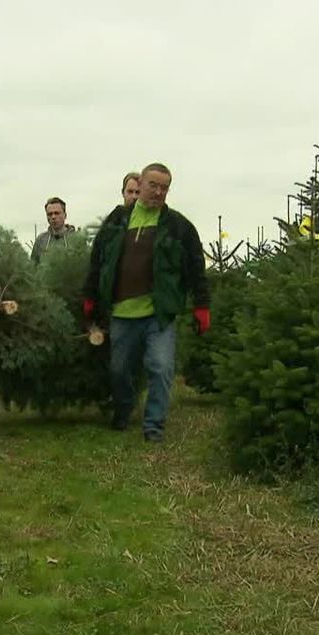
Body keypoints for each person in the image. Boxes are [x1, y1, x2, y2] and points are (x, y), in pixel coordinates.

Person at [82, 162, 210, 443]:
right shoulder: (118, 221)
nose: (159, 192)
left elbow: (196, 268)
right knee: (118, 370)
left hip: (159, 314)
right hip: (121, 313)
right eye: (154, 185)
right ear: (140, 184)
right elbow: (97, 260)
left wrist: (202, 306)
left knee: (161, 367)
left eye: (165, 188)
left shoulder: (179, 227)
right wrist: (90, 296)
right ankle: (124, 409)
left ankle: (154, 427)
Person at [30, 197, 76, 263]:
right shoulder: (40, 240)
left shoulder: (76, 239)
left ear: (65, 215)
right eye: (50, 214)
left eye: (57, 213)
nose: (53, 217)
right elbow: (33, 267)